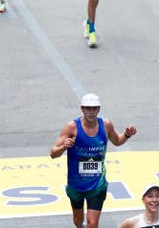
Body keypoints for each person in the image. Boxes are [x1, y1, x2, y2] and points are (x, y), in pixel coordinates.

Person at [50, 94, 137, 228]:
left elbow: (117, 141)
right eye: (88, 109)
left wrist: (126, 135)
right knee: (78, 220)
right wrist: (64, 147)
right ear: (82, 109)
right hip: (76, 185)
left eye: (94, 108)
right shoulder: (72, 127)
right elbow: (53, 153)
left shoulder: (106, 125)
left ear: (99, 109)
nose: (91, 112)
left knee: (92, 223)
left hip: (97, 185)